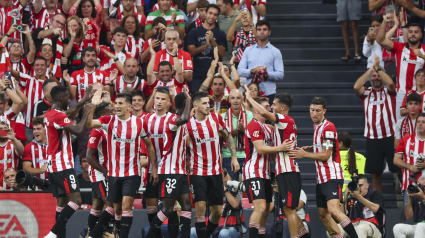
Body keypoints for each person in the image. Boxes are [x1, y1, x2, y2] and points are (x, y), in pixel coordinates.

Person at [86, 91, 158, 238]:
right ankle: (117, 234)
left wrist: (154, 167)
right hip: (113, 174)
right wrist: (93, 105)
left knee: (126, 205)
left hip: (132, 172)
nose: (117, 106)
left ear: (129, 107)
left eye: (120, 104)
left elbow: (149, 145)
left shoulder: (139, 122)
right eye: (116, 103)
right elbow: (88, 123)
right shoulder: (108, 120)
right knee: (117, 209)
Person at [288, 97, 359, 238]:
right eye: (312, 110)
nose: (314, 114)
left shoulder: (329, 127)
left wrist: (304, 155)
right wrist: (311, 148)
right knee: (323, 216)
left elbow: (326, 155)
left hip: (331, 175)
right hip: (321, 178)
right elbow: (326, 147)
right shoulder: (316, 126)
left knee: (333, 210)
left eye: (318, 111)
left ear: (324, 111)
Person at [246, 92, 311, 238]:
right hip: (273, 171)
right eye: (268, 105)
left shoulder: (282, 120)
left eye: (273, 105)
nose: (270, 108)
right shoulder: (276, 124)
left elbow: (262, 112)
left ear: (282, 108)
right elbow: (264, 148)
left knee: (288, 211)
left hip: (286, 171)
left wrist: (249, 98)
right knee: (283, 210)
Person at [43, 84, 94, 238]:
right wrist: (86, 112)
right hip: (62, 164)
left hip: (53, 165)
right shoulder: (58, 116)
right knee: (76, 200)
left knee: (61, 203)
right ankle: (51, 235)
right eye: (67, 98)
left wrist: (83, 101)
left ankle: (59, 237)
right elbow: (78, 130)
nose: (69, 100)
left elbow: (68, 114)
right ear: (60, 98)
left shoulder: (50, 113)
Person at [187, 91, 239, 238]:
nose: (208, 106)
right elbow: (182, 146)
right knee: (200, 207)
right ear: (195, 106)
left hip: (215, 172)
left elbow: (227, 136)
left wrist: (234, 157)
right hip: (197, 172)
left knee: (217, 212)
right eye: (204, 103)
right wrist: (185, 161)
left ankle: (206, 235)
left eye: (208, 103)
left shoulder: (215, 118)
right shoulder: (189, 125)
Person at [144, 88, 193, 238]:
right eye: (157, 98)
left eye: (162, 99)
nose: (159, 101)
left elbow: (183, 143)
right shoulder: (171, 120)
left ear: (169, 102)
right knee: (166, 209)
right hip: (168, 169)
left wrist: (186, 160)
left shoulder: (172, 118)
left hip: (178, 170)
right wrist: (189, 99)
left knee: (186, 205)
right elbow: (184, 118)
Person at [353, 55, 397, 193]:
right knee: (375, 174)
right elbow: (356, 86)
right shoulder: (366, 93)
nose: (376, 78)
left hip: (391, 136)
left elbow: (390, 83)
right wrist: (370, 70)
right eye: (374, 76)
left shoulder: (390, 92)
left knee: (399, 170)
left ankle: (404, 198)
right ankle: (378, 204)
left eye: (378, 76)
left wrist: (378, 68)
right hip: (373, 138)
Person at [376, 19, 425, 121]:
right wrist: (384, 22)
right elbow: (380, 40)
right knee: (400, 127)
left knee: (421, 128)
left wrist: (422, 56)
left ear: (421, 35)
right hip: (402, 93)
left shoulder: (424, 50)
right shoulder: (399, 47)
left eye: (416, 32)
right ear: (407, 34)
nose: (413, 34)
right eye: (410, 32)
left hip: (421, 94)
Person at [85, 101, 116, 238]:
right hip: (100, 172)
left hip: (107, 171)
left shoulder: (113, 127)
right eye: (111, 110)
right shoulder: (97, 130)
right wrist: (106, 172)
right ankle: (94, 235)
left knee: (96, 207)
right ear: (103, 115)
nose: (114, 112)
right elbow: (89, 157)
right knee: (111, 207)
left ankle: (91, 233)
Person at [237, 20, 283, 104]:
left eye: (264, 29)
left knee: (267, 117)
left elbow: (280, 74)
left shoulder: (275, 51)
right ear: (256, 32)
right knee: (249, 117)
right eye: (259, 29)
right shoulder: (248, 50)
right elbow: (239, 71)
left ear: (269, 32)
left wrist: (265, 74)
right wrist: (253, 70)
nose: (262, 32)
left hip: (268, 94)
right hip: (251, 94)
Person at [187, 4, 227, 93]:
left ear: (217, 16)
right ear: (206, 13)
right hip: (197, 75)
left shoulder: (221, 34)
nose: (212, 16)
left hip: (215, 76)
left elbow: (221, 54)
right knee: (197, 101)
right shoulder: (194, 31)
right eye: (210, 13)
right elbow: (190, 52)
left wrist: (212, 40)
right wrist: (205, 45)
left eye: (215, 14)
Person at [221, 89, 252, 181]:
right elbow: (219, 136)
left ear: (242, 100)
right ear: (229, 100)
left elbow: (253, 136)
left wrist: (244, 130)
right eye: (233, 98)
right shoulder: (222, 116)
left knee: (248, 188)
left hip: (246, 156)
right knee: (231, 188)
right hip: (228, 157)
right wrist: (234, 132)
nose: (235, 101)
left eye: (238, 98)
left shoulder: (249, 115)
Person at [394, 113, 425, 199]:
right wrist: (410, 167)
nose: (420, 124)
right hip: (409, 186)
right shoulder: (406, 139)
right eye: (418, 121)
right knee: (409, 212)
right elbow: (396, 160)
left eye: (423, 122)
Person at [0, 121, 24, 189]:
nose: (3, 130)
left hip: (14, 188)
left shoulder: (14, 144)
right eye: (1, 128)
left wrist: (13, 139)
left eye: (5, 128)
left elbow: (21, 152)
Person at [217, 0, 241, 64]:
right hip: (224, 57)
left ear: (228, 5)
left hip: (240, 56)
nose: (218, 8)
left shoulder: (240, 15)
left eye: (220, 6)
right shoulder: (218, 18)